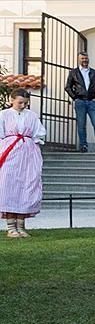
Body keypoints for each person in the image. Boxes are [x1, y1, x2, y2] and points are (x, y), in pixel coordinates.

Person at [0, 89, 45, 238]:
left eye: (25, 103)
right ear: (11, 100)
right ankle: (11, 226)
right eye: (20, 102)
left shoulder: (31, 116)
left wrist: (34, 143)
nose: (22, 105)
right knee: (9, 185)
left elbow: (39, 132)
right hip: (10, 152)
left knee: (27, 185)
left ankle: (21, 225)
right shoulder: (4, 115)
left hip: (28, 153)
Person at [65, 52, 95, 152]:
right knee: (81, 125)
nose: (85, 60)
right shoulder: (74, 72)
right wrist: (75, 98)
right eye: (82, 58)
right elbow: (68, 87)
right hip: (80, 101)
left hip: (92, 102)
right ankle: (84, 145)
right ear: (79, 59)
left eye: (86, 58)